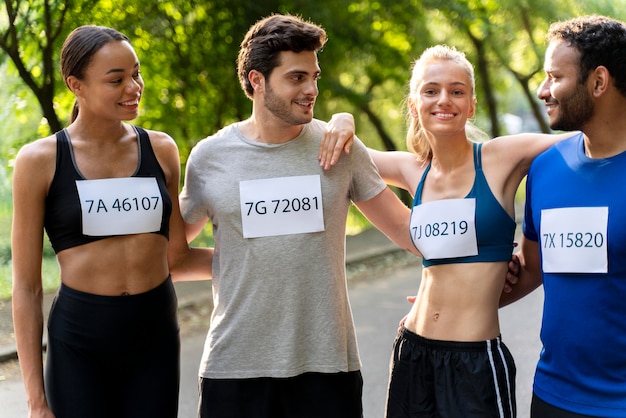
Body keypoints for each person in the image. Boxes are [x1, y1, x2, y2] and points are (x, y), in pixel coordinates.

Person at [178, 13, 419, 418]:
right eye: (296, 78)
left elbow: (409, 233)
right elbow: (171, 257)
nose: (311, 90)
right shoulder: (209, 158)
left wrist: (487, 258)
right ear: (257, 81)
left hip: (327, 368)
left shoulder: (340, 148)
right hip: (234, 368)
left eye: (315, 77)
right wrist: (237, 261)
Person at [321, 44, 575, 417]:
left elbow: (588, 138)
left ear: (471, 104)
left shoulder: (500, 157)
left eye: (457, 91)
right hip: (413, 352)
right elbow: (341, 153)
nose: (445, 100)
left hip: (476, 362)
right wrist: (342, 118)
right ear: (414, 104)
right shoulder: (412, 170)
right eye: (431, 90)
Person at [10, 25, 217, 418]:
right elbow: (26, 288)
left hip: (154, 335)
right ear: (76, 85)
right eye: (116, 79)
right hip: (80, 341)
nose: (134, 87)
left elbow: (177, 257)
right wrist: (36, 403)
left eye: (136, 74)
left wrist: (261, 253)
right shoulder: (39, 161)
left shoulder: (162, 149)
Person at [500, 15, 626, 418]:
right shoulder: (545, 167)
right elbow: (533, 268)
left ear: (598, 82)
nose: (542, 91)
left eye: (555, 77)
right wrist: (449, 304)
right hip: (553, 396)